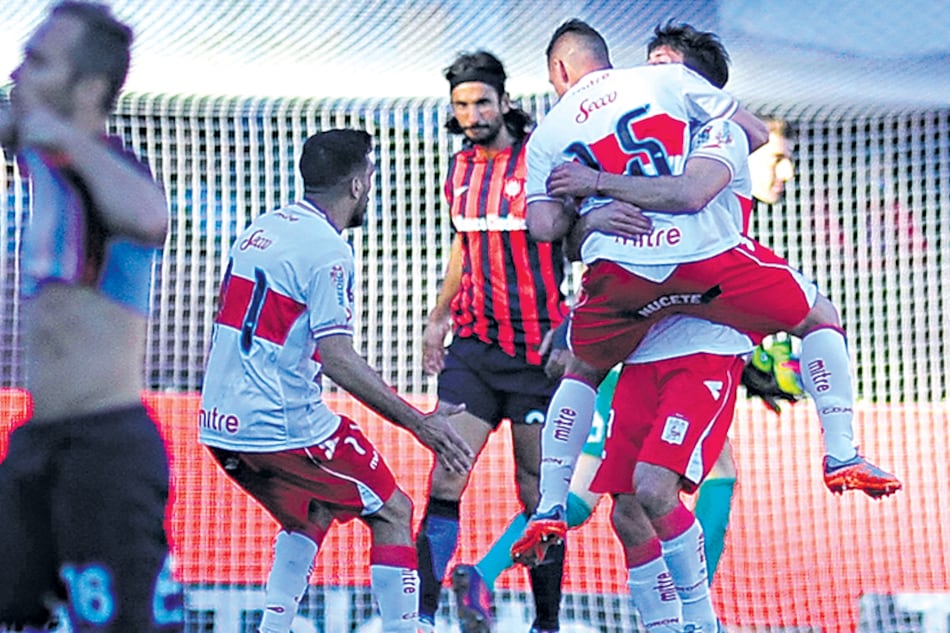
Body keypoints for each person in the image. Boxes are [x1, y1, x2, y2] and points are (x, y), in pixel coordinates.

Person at [516, 19, 900, 563]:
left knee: (644, 471)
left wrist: (593, 199)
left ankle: (554, 511)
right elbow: (706, 175)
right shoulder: (682, 110)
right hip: (689, 290)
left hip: (664, 312)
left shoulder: (566, 131)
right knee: (635, 505)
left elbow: (552, 227)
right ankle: (841, 451)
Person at [199, 129, 474, 633]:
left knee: (311, 512)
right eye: (370, 179)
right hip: (280, 425)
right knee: (393, 509)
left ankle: (273, 627)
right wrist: (422, 424)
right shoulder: (329, 251)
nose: (370, 189)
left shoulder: (263, 227)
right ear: (356, 186)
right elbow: (338, 359)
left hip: (219, 424)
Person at [0, 3, 184, 631]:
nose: (18, 73)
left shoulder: (109, 166)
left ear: (87, 89)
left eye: (38, 60)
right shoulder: (38, 158)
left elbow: (152, 218)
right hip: (38, 441)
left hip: (105, 449)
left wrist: (57, 133)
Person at [417, 51, 567, 633]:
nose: (472, 113)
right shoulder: (458, 168)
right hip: (474, 351)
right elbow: (463, 244)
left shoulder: (542, 160)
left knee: (536, 494)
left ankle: (545, 623)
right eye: (461, 104)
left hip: (537, 357)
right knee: (445, 474)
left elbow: (573, 239)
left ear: (504, 101)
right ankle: (424, 615)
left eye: (481, 101)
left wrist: (576, 323)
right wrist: (437, 316)